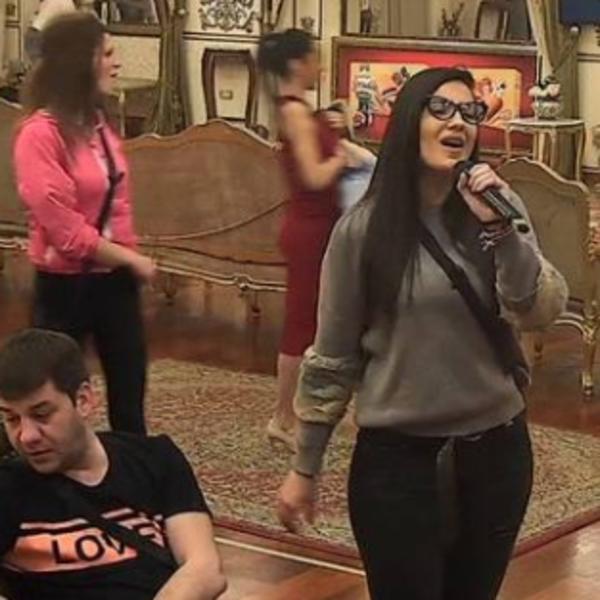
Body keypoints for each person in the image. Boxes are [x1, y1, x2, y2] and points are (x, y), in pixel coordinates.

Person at [277, 67, 568, 600]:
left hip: (496, 455)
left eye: (470, 112)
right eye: (441, 109)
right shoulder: (363, 231)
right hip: (398, 466)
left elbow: (538, 309)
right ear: (409, 121)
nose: (458, 122)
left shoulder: (497, 207)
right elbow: (332, 359)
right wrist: (305, 467)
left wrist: (502, 230)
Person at [0, 328, 227, 600]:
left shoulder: (155, 457)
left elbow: (203, 569)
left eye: (42, 415)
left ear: (83, 400)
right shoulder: (8, 489)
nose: (26, 436)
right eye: (11, 419)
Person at [13, 13, 156, 435]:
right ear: (80, 61)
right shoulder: (39, 135)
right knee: (51, 401)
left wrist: (127, 260)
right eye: (107, 53)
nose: (117, 62)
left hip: (115, 282)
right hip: (65, 286)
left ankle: (129, 471)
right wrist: (131, 259)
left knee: (129, 400)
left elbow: (116, 207)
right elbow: (66, 231)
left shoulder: (99, 126)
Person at [257, 29, 348, 449]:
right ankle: (283, 418)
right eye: (315, 58)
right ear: (298, 64)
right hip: (310, 229)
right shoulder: (294, 112)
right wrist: (342, 157)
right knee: (301, 325)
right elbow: (314, 176)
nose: (321, 66)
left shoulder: (301, 111)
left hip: (321, 227)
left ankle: (310, 410)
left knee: (317, 322)